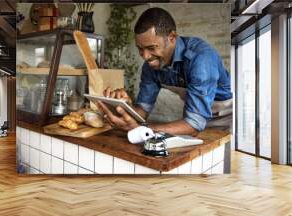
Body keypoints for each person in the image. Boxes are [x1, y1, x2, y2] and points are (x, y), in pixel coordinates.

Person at [97, 7, 232, 136]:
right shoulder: (150, 66)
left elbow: (194, 125)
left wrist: (142, 129)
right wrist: (123, 107)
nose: (145, 56)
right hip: (194, 118)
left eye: (151, 48)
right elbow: (143, 110)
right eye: (140, 48)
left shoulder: (201, 58)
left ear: (172, 37)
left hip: (225, 117)